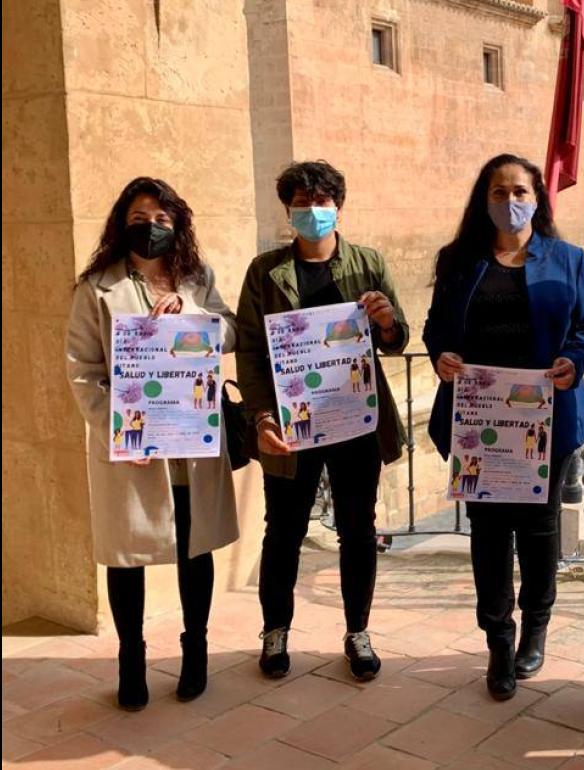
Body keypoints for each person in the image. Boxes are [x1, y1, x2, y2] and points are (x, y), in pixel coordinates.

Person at [423, 153, 584, 701]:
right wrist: (442, 357)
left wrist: (575, 360)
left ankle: (536, 624)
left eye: (520, 191)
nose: (510, 201)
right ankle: (498, 639)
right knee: (489, 533)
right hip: (480, 420)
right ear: (484, 200)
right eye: (499, 192)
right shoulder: (458, 261)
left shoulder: (569, 259)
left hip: (547, 419)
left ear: (538, 197)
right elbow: (435, 330)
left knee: (540, 528)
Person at [65, 177, 239, 711]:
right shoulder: (96, 287)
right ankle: (131, 662)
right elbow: (82, 370)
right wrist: (114, 427)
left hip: (190, 441)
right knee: (127, 556)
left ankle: (196, 652)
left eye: (163, 219)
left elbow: (230, 330)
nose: (153, 227)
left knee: (196, 546)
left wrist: (190, 314)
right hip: (135, 447)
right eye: (142, 217)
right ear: (123, 222)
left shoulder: (195, 277)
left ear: (177, 224)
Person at [236, 160, 410, 682]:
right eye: (302, 203)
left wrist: (385, 322)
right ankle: (275, 631)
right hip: (291, 426)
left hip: (355, 422)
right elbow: (249, 350)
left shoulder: (368, 263)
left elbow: (397, 339)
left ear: (339, 205)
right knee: (282, 531)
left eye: (321, 201)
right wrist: (261, 415)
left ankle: (358, 631)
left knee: (359, 531)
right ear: (288, 209)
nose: (312, 211)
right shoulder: (265, 271)